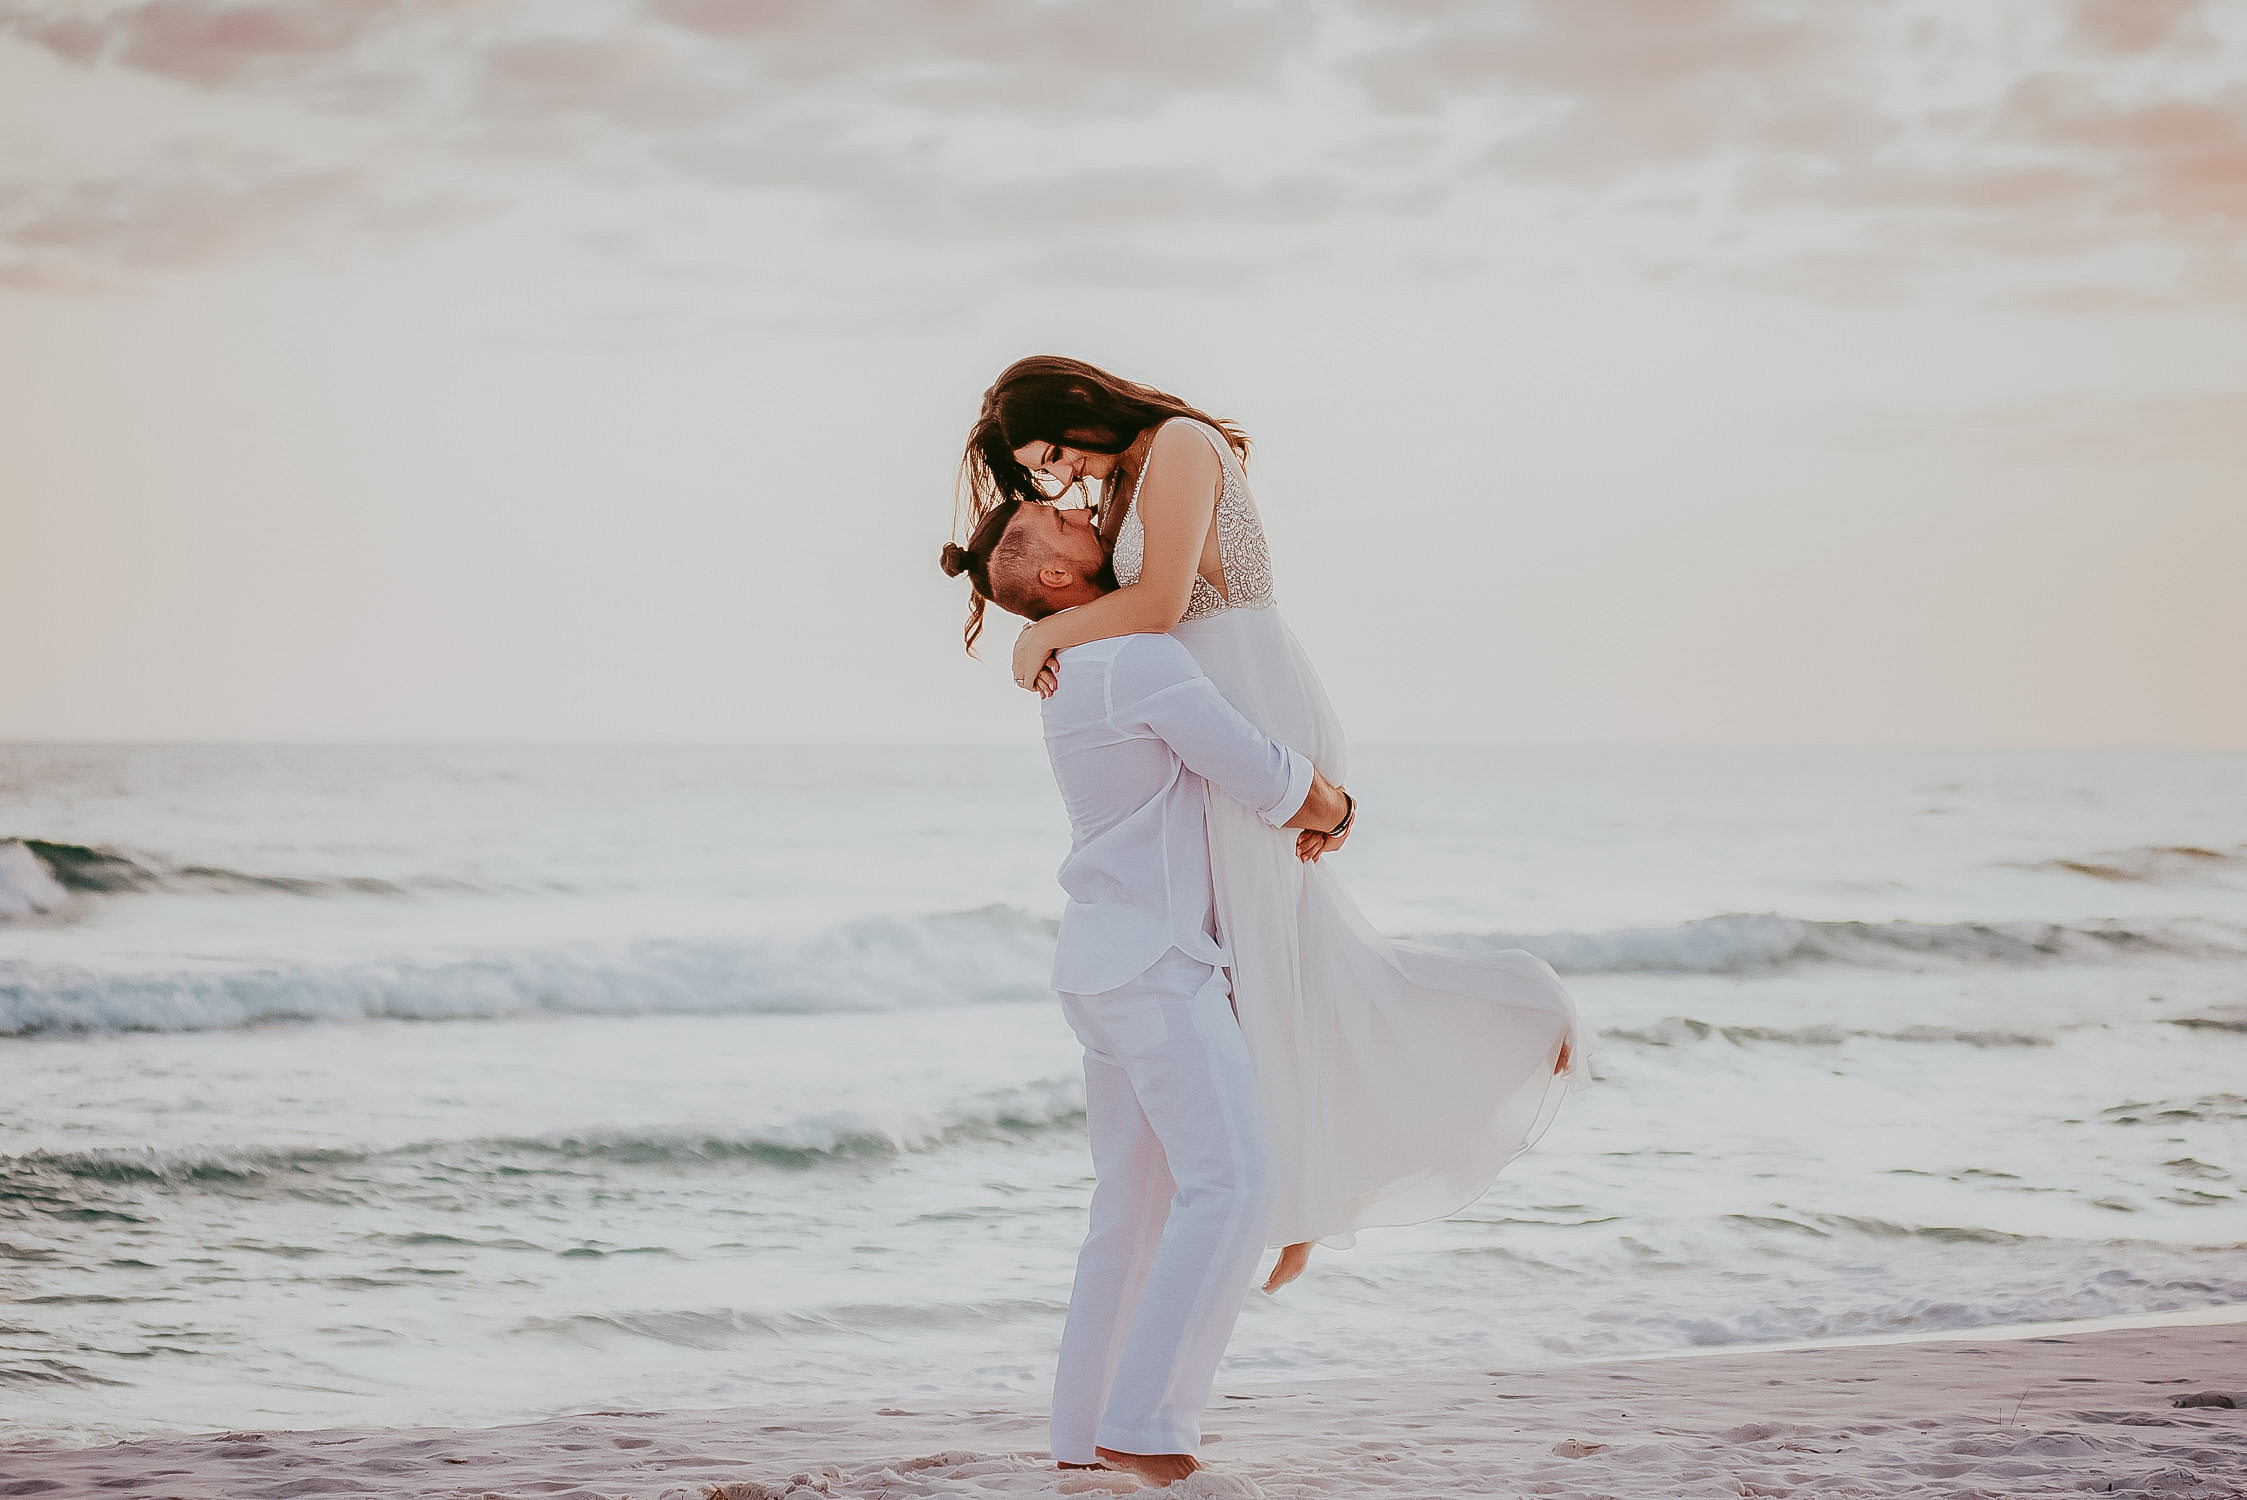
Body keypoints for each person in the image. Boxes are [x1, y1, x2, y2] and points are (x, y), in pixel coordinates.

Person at [956, 357, 1585, 1293]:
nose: (1064, 479)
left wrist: (1038, 634)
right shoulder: (1129, 470)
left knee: (1272, 957)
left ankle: (1519, 1010)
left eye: (1056, 454)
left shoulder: (1174, 444)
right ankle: (1306, 1191)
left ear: (1080, 407)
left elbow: (1163, 604)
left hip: (1244, 697)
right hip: (1210, 698)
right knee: (1273, 960)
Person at [939, 500, 1356, 1484]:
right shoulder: (1135, 662)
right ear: (1051, 578)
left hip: (1102, 963)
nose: (1090, 515)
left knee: (1129, 1216)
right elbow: (1255, 770)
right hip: (1155, 969)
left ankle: (1082, 1443)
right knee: (1234, 1185)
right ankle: (1151, 1426)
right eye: (1063, 520)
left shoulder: (1071, 667)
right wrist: (1335, 805)